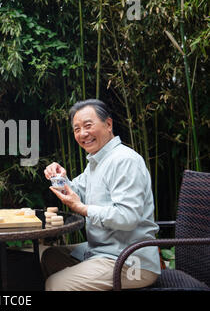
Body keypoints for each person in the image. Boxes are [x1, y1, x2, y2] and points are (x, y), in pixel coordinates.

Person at [42, 99, 160, 291]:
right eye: (77, 129)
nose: (83, 134)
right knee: (51, 256)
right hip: (102, 252)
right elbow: (76, 192)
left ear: (108, 124)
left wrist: (82, 208)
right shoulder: (98, 162)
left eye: (88, 126)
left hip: (130, 261)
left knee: (55, 285)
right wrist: (59, 178)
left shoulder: (124, 160)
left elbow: (127, 217)